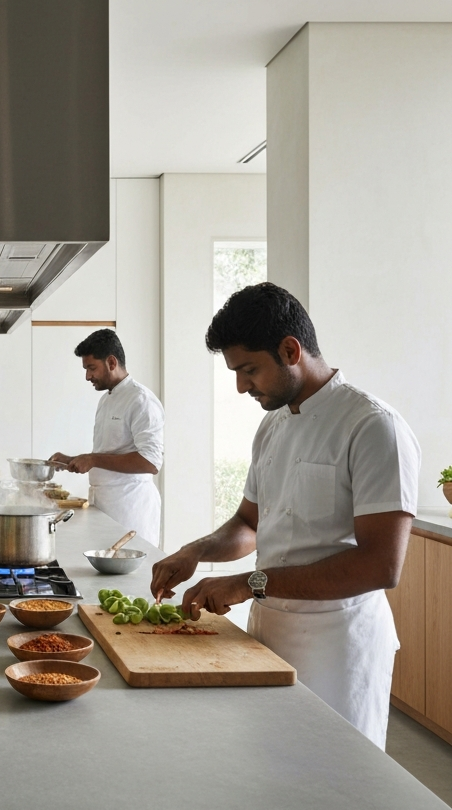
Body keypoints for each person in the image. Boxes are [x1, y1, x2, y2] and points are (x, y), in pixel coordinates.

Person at [151, 282, 419, 749]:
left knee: (335, 787)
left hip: (338, 643)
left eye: (249, 369)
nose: (240, 386)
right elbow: (250, 525)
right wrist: (195, 552)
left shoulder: (373, 426)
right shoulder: (272, 425)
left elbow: (382, 566)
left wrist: (244, 583)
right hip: (269, 630)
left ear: (290, 350)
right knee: (272, 779)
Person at [49, 328, 163, 545]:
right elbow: (110, 453)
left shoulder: (141, 400)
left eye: (91, 368)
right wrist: (71, 459)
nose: (87, 376)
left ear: (111, 362)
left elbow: (151, 462)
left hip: (131, 509)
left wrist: (92, 459)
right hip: (104, 505)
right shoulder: (106, 400)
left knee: (129, 577)